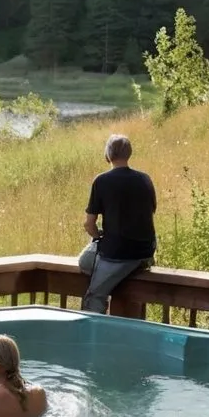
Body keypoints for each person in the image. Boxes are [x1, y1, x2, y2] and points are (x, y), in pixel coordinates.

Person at [80, 134, 156, 313]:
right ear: (129, 153)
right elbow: (151, 211)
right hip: (145, 251)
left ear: (108, 154)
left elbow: (89, 224)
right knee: (93, 262)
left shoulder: (102, 181)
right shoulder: (145, 179)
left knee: (94, 295)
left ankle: (94, 335)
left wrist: (98, 236)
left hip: (118, 252)